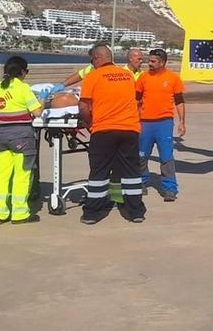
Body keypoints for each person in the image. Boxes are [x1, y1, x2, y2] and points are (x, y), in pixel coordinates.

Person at [79, 44, 146, 224]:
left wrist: (88, 122)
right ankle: (135, 211)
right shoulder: (127, 76)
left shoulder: (93, 77)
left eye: (92, 60)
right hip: (129, 130)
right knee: (131, 171)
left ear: (97, 59)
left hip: (104, 130)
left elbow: (84, 106)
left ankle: (92, 213)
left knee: (99, 172)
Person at [0, 57, 44, 224]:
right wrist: (43, 100)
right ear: (23, 72)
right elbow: (37, 112)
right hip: (22, 137)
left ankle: (0, 213)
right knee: (22, 174)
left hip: (1, 136)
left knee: (2, 174)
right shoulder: (23, 88)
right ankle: (20, 213)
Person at [136, 48, 185, 201]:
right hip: (145, 123)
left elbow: (179, 101)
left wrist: (182, 122)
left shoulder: (173, 78)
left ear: (162, 62)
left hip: (164, 123)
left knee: (166, 156)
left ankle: (169, 188)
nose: (149, 64)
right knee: (141, 155)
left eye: (153, 61)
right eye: (149, 61)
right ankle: (141, 183)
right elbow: (136, 101)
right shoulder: (143, 78)